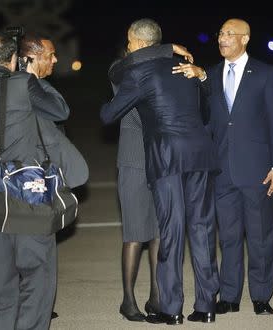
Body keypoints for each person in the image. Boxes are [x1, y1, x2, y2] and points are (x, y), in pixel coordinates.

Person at [0, 32, 88, 329]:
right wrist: (32, 77)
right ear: (14, 58)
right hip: (24, 193)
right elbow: (60, 110)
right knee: (37, 275)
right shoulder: (22, 83)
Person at [101, 18, 219, 325]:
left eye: (130, 43)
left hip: (167, 157)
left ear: (139, 45)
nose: (127, 49)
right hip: (200, 154)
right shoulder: (188, 70)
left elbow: (108, 114)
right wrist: (197, 73)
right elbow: (207, 112)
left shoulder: (138, 71)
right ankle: (206, 306)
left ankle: (171, 308)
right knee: (203, 230)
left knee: (171, 231)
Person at [173, 18, 273, 315]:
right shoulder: (210, 75)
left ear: (245, 38)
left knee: (261, 236)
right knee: (228, 237)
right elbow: (206, 119)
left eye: (229, 34)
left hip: (258, 169)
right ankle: (229, 296)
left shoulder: (265, 73)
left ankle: (261, 296)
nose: (222, 39)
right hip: (221, 169)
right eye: (220, 34)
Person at [108, 42, 194, 323]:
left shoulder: (167, 71)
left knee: (159, 232)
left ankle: (157, 295)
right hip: (133, 159)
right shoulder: (120, 71)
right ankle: (128, 300)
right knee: (134, 233)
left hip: (161, 158)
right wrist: (166, 47)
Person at [19, 33, 70, 321]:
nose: (55, 59)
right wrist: (35, 80)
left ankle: (37, 306)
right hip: (29, 177)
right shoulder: (28, 85)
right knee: (37, 249)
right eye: (49, 54)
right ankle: (35, 310)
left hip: (29, 174)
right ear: (32, 57)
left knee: (34, 247)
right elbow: (60, 110)